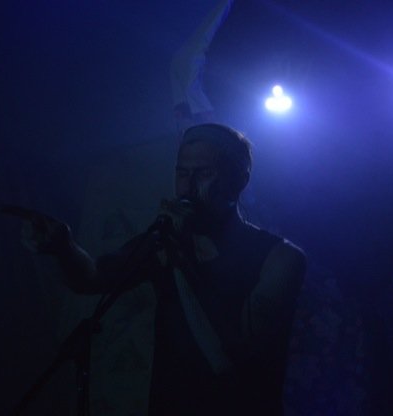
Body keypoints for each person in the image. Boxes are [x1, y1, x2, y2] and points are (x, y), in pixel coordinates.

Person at [18, 123, 306, 416]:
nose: (188, 188)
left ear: (240, 179)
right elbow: (92, 278)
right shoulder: (164, 241)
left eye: (204, 173)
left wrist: (184, 257)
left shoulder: (280, 259)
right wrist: (63, 248)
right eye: (182, 173)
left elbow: (236, 354)